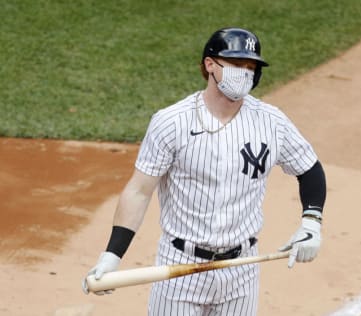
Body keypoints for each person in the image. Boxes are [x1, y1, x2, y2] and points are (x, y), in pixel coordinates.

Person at [82, 27, 327, 316]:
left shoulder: (272, 122)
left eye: (251, 67)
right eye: (236, 64)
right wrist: (112, 254)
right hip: (179, 270)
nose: (245, 73)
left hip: (241, 271)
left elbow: (309, 168)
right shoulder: (171, 122)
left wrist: (311, 222)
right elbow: (139, 190)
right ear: (210, 65)